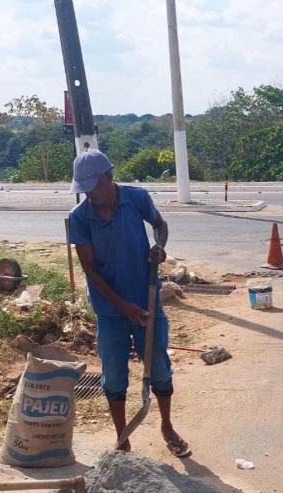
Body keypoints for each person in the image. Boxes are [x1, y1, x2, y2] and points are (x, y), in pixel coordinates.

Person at [68, 148, 191, 457]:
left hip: (146, 298)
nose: (89, 195)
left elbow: (159, 225)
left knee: (159, 367)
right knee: (113, 374)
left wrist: (159, 247)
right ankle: (122, 437)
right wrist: (123, 307)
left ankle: (166, 425)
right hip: (110, 310)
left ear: (109, 177)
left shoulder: (136, 198)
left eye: (93, 187)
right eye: (83, 190)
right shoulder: (79, 218)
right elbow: (91, 271)